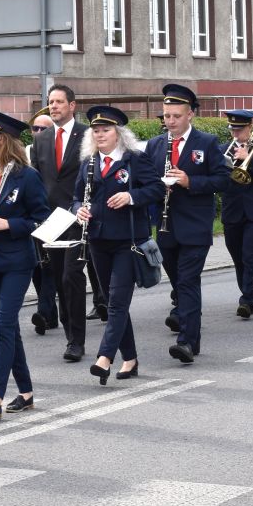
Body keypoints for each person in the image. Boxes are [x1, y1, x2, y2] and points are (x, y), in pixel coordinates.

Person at [0, 109, 49, 420]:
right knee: (9, 328)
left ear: (1, 139)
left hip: (17, 260)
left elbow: (41, 219)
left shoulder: (26, 176)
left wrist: (9, 224)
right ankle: (26, 392)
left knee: (3, 325)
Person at [76, 106, 164, 384]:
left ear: (118, 133)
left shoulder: (134, 158)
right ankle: (131, 358)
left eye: (106, 130)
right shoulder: (89, 162)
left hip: (128, 240)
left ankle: (105, 357)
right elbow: (76, 197)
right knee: (114, 301)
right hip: (98, 240)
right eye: (96, 130)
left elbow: (157, 188)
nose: (100, 134)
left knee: (116, 301)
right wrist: (79, 210)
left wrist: (131, 197)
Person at [146, 84, 230, 362]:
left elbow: (223, 179)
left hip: (195, 225)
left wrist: (189, 181)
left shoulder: (206, 143)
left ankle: (187, 342)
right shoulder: (156, 145)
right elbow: (145, 181)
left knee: (187, 281)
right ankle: (189, 326)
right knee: (179, 283)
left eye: (176, 116)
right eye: (166, 116)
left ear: (190, 114)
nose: (170, 121)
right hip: (166, 226)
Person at [31, 84, 89, 358]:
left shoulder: (87, 135)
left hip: (77, 218)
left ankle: (77, 340)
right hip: (51, 221)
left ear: (72, 105)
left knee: (71, 276)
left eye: (58, 102)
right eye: (50, 102)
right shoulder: (41, 140)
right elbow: (37, 180)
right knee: (57, 279)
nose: (53, 106)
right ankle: (69, 333)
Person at [220, 110, 253, 319]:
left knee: (249, 255)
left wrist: (248, 158)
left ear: (250, 128)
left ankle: (247, 299)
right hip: (232, 210)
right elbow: (219, 180)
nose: (236, 134)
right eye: (233, 129)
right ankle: (246, 292)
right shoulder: (223, 150)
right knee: (238, 257)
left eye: (240, 130)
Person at [27, 110, 59, 329]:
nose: (38, 132)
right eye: (35, 128)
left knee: (49, 265)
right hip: (34, 213)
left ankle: (44, 311)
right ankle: (50, 316)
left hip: (56, 214)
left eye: (43, 128)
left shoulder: (59, 150)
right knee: (37, 266)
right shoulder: (26, 151)